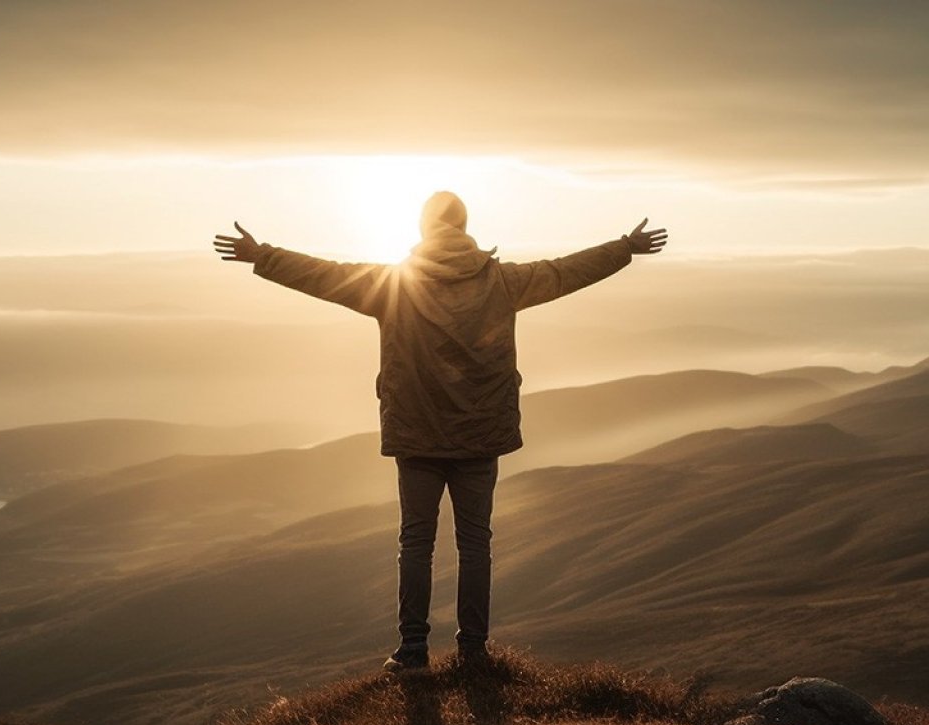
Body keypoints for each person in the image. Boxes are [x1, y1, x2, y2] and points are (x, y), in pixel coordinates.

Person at [214, 192, 667, 672]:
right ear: (465, 226)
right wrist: (624, 248)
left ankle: (413, 650)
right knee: (475, 544)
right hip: (480, 435)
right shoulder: (504, 282)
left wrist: (263, 256)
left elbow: (327, 276)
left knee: (416, 542)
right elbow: (564, 271)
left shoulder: (392, 285)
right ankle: (473, 651)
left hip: (416, 435)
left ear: (424, 229)